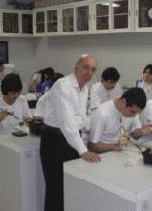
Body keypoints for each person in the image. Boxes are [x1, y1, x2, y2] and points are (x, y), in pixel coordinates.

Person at [40, 55, 101, 211]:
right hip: (54, 140)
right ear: (76, 67)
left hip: (71, 140)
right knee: (56, 189)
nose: (89, 72)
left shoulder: (85, 88)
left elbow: (79, 118)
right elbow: (68, 124)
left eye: (93, 69)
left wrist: (86, 137)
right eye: (85, 67)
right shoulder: (63, 85)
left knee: (71, 185)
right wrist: (83, 150)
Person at [87, 87, 152, 153]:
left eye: (137, 113)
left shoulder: (132, 111)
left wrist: (141, 132)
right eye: (132, 112)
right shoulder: (102, 113)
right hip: (103, 154)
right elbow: (92, 147)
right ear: (123, 102)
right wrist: (116, 146)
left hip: (121, 151)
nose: (134, 115)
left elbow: (134, 135)